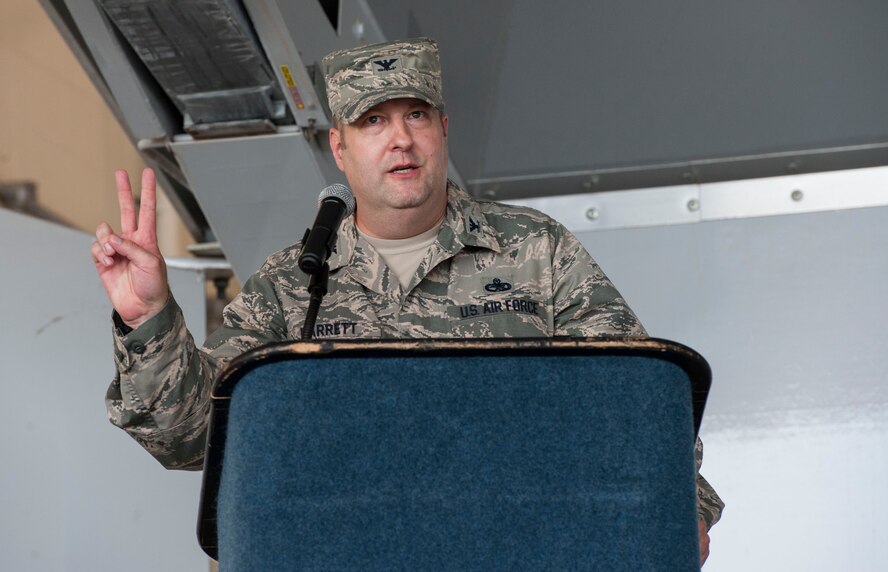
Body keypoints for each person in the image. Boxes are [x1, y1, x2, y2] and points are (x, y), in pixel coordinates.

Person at [91, 38, 722, 563]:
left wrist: (681, 510)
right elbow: (191, 439)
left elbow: (633, 396)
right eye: (373, 121)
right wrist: (148, 319)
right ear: (339, 148)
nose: (401, 140)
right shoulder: (292, 283)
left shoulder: (536, 249)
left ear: (443, 130)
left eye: (415, 115)